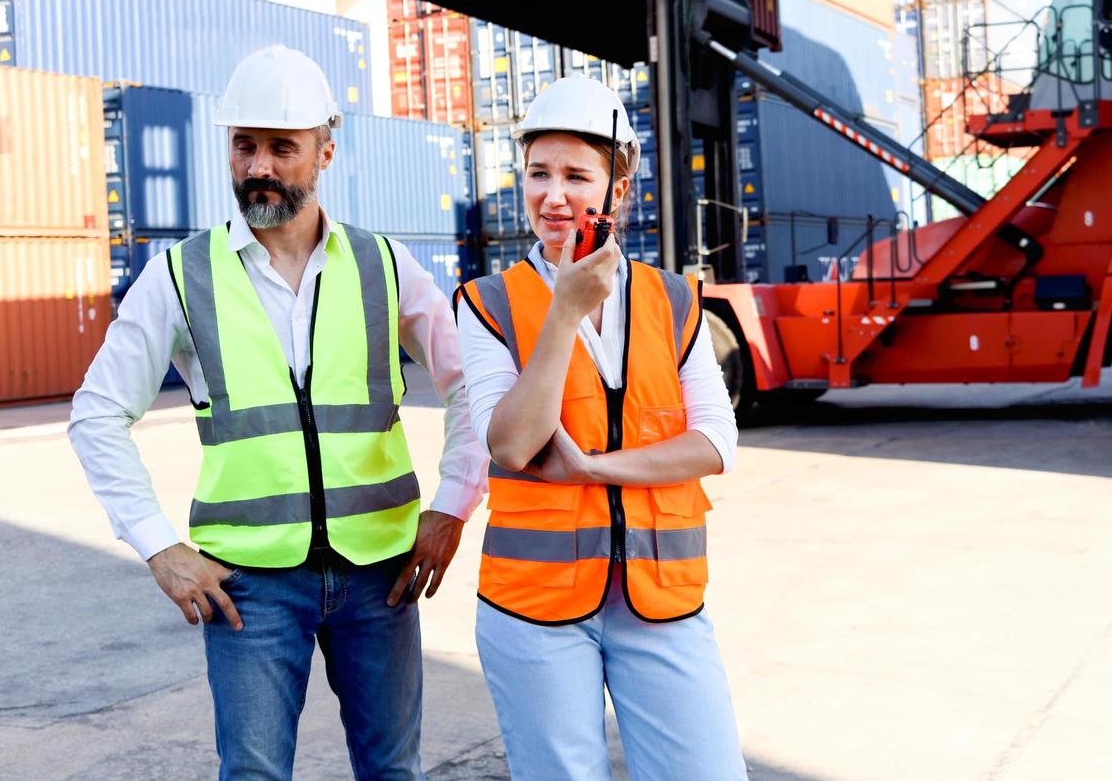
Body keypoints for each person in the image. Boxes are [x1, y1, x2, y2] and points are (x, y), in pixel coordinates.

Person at [69, 45, 485, 779]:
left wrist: (452, 506)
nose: (259, 166)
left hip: (379, 575)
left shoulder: (385, 266)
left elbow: (473, 387)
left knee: (394, 772)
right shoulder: (180, 276)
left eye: (281, 149)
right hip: (249, 587)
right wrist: (159, 548)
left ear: (324, 151)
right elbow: (96, 414)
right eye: (245, 146)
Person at [455, 76, 746, 779]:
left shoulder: (672, 298)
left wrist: (592, 468)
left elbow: (715, 442)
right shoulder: (488, 303)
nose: (553, 196)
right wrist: (562, 312)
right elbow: (512, 443)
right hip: (536, 605)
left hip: (660, 597)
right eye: (538, 174)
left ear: (617, 190)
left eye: (576, 177)